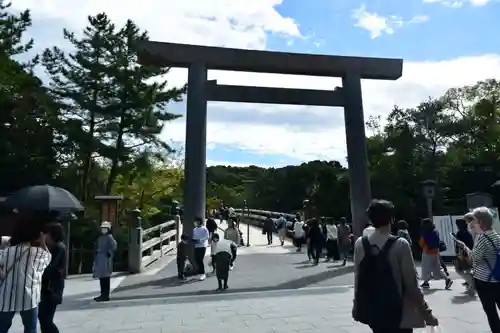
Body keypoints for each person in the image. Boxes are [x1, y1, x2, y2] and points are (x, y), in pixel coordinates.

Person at [353, 199, 438, 333]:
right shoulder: (400, 244)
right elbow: (412, 285)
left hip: (373, 311)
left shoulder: (360, 243)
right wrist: (427, 314)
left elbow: (358, 278)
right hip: (398, 313)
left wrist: (357, 306)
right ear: (391, 219)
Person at [0, 213, 52, 333]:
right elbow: (47, 259)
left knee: (2, 328)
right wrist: (43, 242)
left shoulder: (7, 252)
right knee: (30, 329)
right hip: (29, 297)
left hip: (5, 297)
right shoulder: (38, 254)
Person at [456, 207, 500, 332]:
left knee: (492, 314)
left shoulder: (482, 238)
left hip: (485, 282)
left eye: (472, 221)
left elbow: (474, 259)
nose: (470, 224)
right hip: (497, 278)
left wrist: (465, 248)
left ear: (481, 222)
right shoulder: (495, 235)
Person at [39, 223, 67, 333]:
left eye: (46, 234)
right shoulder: (52, 248)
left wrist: (43, 247)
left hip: (53, 289)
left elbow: (49, 267)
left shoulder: (59, 248)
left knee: (46, 320)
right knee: (43, 318)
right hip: (46, 289)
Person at [418, 218, 453, 290]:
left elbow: (421, 243)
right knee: (437, 268)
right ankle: (447, 279)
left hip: (427, 252)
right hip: (436, 252)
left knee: (426, 268)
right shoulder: (435, 231)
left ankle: (426, 283)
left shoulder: (425, 233)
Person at [93, 221, 117, 302]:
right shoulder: (100, 238)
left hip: (106, 259)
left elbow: (114, 246)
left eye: (105, 228)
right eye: (102, 228)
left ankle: (105, 295)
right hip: (99, 258)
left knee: (105, 277)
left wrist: (109, 252)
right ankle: (102, 294)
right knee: (101, 277)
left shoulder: (110, 237)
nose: (103, 230)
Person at [454, 217, 474, 295]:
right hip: (468, 253)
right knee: (468, 269)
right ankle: (470, 283)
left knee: (459, 269)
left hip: (463, 254)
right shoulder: (468, 232)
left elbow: (459, 244)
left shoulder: (460, 233)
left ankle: (471, 282)